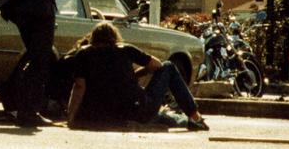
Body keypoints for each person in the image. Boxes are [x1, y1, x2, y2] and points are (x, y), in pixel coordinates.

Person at [67, 21, 209, 131]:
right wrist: (137, 73)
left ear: (93, 38)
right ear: (114, 37)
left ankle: (184, 118)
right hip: (136, 109)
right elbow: (158, 65)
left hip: (103, 112)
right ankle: (195, 118)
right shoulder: (125, 49)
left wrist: (71, 117)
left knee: (165, 118)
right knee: (169, 66)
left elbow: (79, 86)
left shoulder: (82, 54)